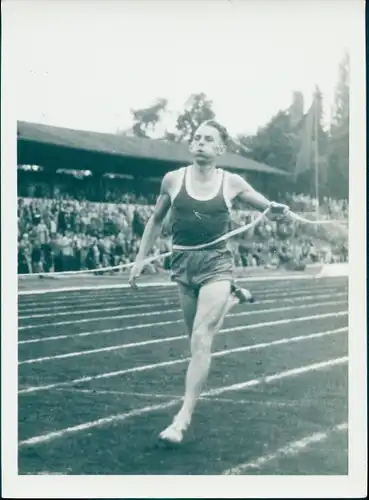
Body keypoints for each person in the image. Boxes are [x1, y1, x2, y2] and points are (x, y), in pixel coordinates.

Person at [129, 120, 290, 444]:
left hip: (216, 265)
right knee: (195, 340)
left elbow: (267, 207)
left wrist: (278, 210)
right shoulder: (173, 180)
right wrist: (139, 260)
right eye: (197, 137)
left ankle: (182, 418)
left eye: (208, 140)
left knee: (202, 339)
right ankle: (231, 299)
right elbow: (156, 220)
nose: (200, 142)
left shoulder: (231, 182)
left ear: (220, 149)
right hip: (183, 266)